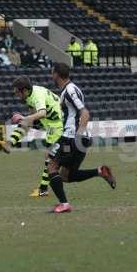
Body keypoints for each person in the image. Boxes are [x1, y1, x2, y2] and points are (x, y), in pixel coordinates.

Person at [46, 63, 116, 212]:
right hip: (79, 138)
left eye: (52, 73)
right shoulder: (71, 89)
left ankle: (64, 204)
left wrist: (77, 137)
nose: (51, 76)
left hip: (72, 137)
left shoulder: (70, 90)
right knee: (66, 176)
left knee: (51, 165)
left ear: (56, 74)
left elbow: (85, 113)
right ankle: (99, 171)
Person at [0, 76, 63, 198]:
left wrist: (24, 118)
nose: (15, 94)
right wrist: (25, 120)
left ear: (24, 90)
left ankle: (43, 189)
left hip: (58, 125)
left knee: (50, 159)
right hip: (50, 121)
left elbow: (42, 113)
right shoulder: (30, 96)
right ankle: (8, 144)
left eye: (17, 92)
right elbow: (32, 116)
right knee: (25, 123)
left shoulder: (37, 96)